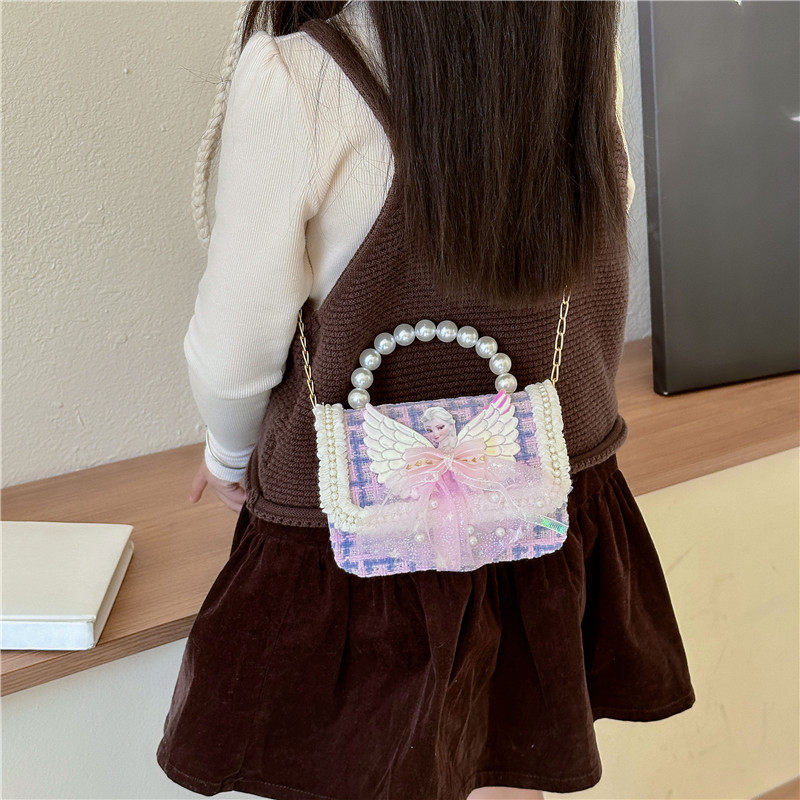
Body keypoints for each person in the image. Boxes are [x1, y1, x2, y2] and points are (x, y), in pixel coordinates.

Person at [157, 2, 695, 799]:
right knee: (516, 748)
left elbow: (236, 348)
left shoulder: (299, 77)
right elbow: (601, 257)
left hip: (359, 530)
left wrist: (227, 454)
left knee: (366, 765)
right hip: (542, 497)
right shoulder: (576, 50)